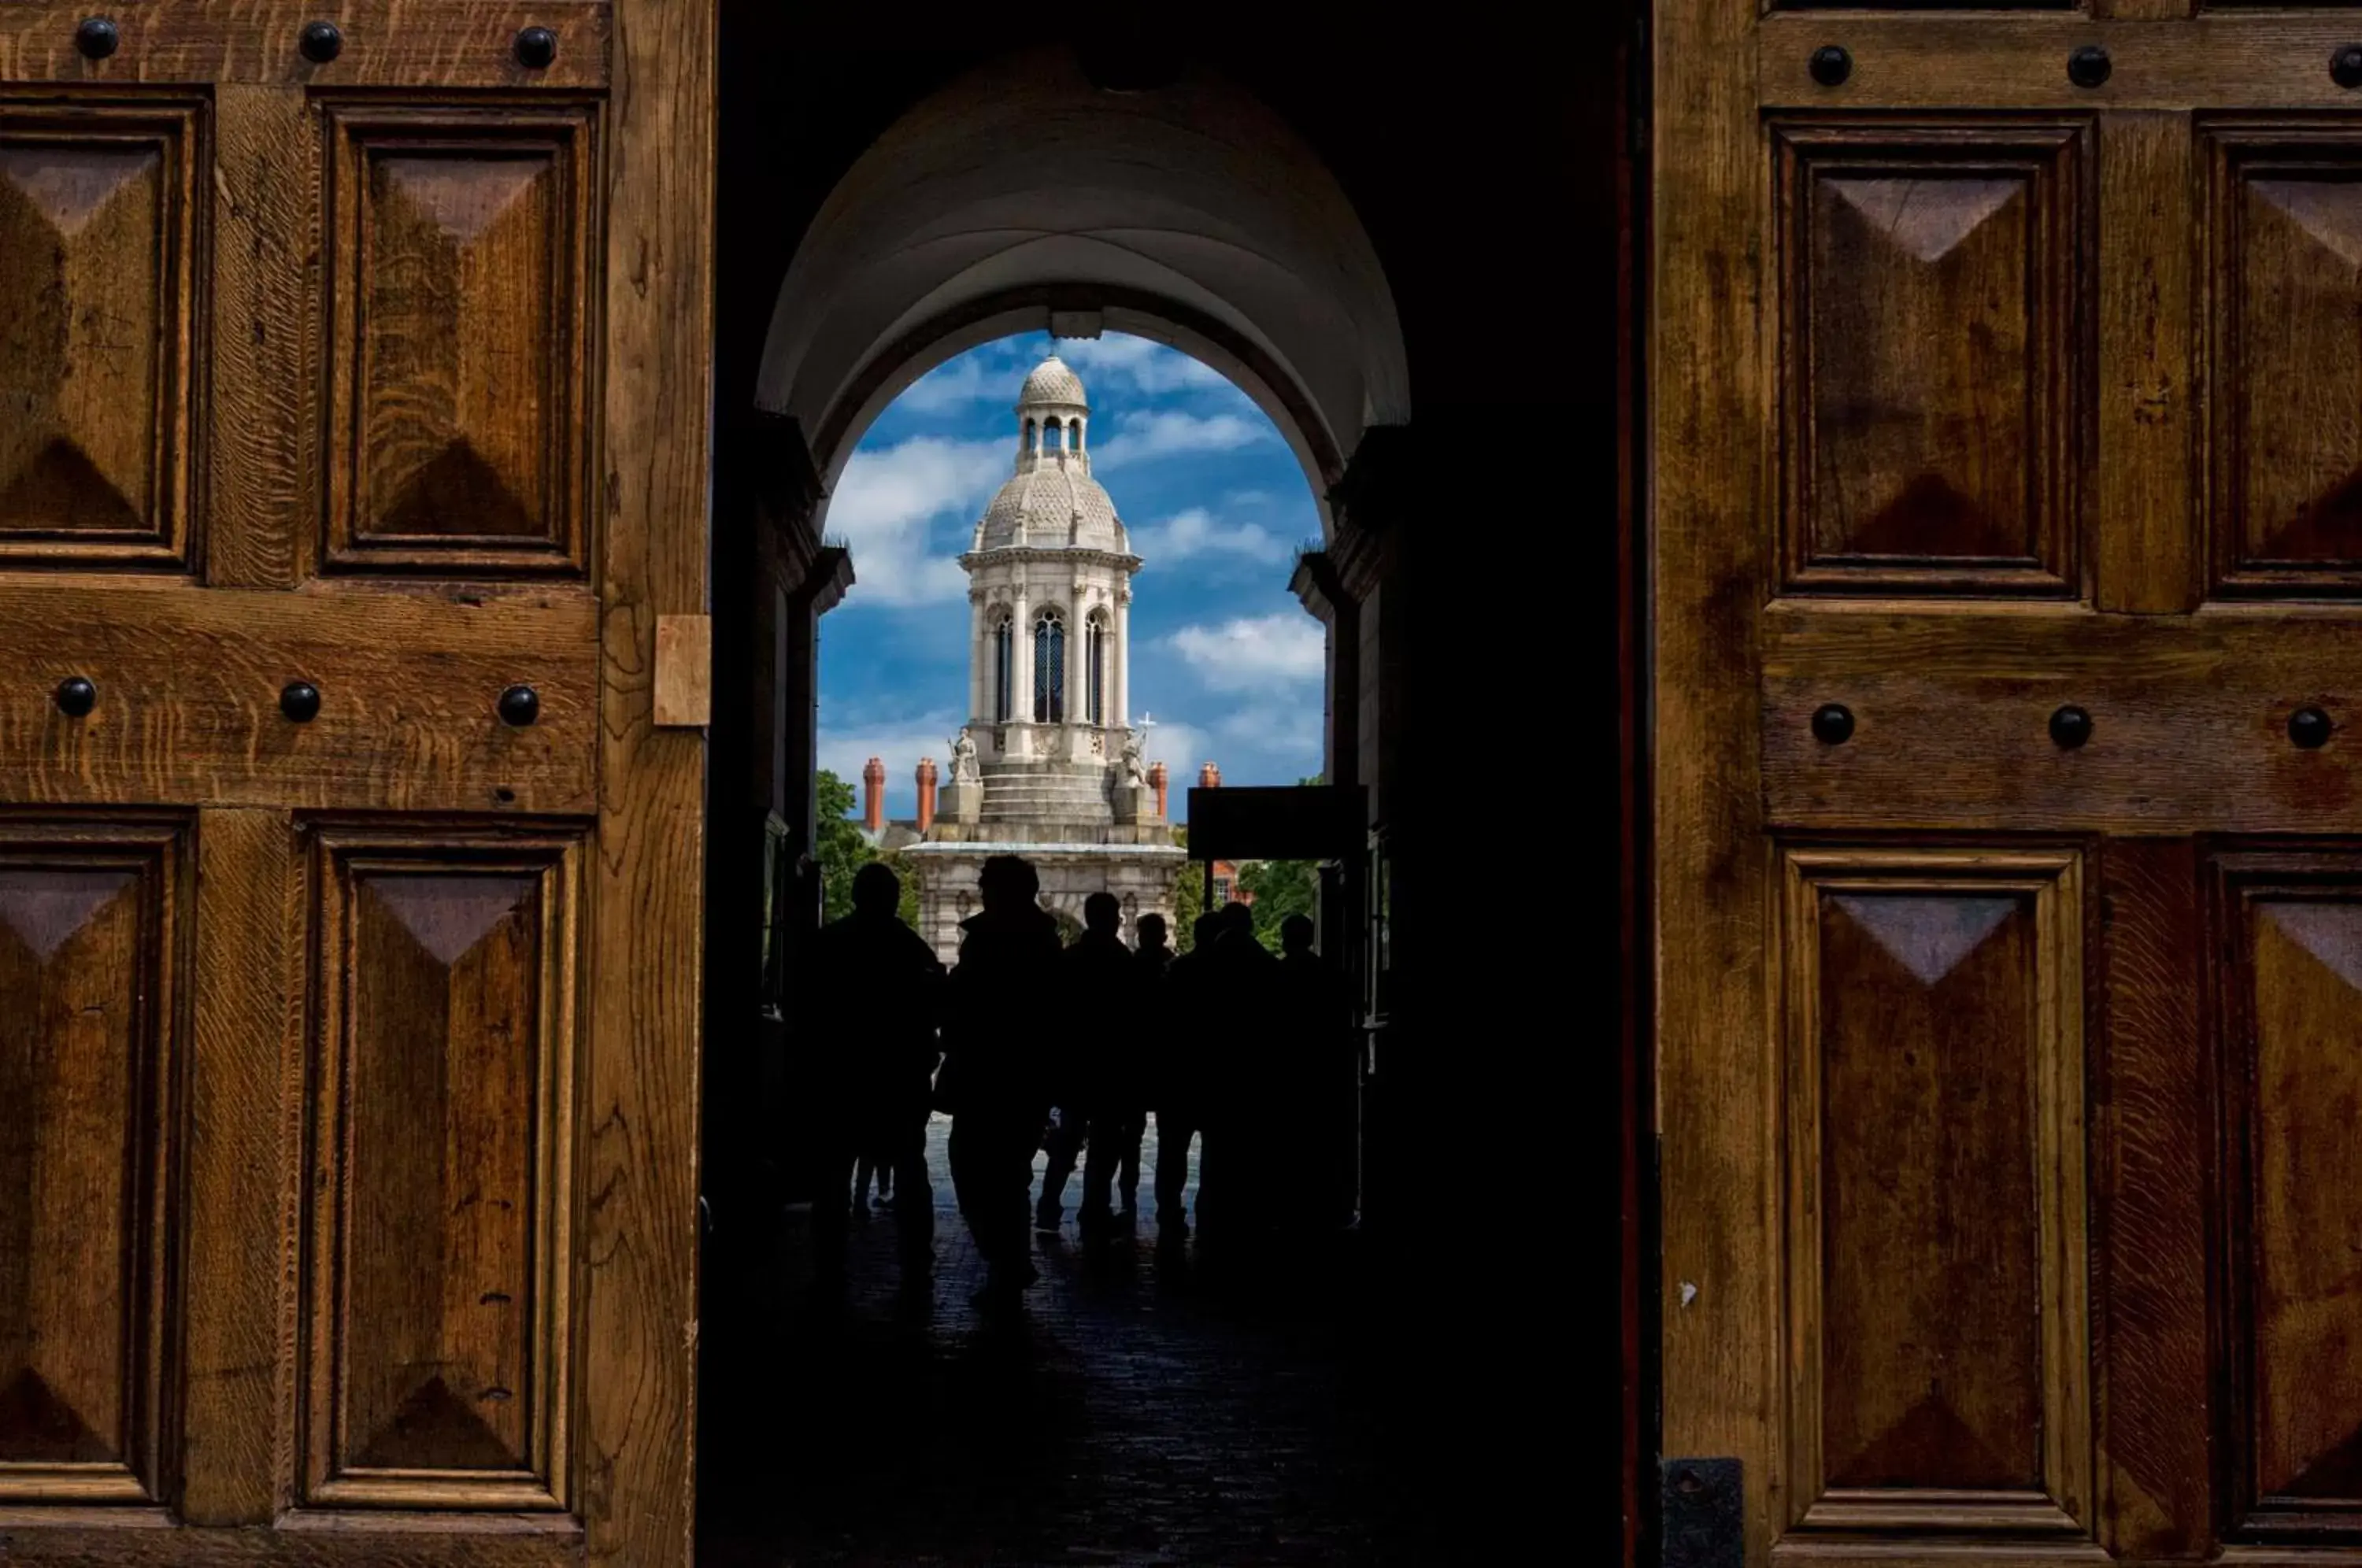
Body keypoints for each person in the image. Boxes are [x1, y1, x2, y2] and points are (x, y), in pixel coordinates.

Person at [803, 861, 943, 1286]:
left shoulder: (827, 944)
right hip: (899, 1080)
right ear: (895, 898)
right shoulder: (912, 948)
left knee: (832, 1177)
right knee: (910, 1172)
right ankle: (916, 1262)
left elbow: (807, 1011)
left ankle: (828, 1263)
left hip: (840, 1078)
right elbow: (935, 1009)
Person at [939, 854, 1064, 1306]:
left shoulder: (988, 942)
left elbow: (967, 1003)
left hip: (987, 1074)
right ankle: (1009, 1262)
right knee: (1009, 1176)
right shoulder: (1046, 944)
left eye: (988, 886)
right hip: (1025, 1078)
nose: (982, 892)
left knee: (975, 1169)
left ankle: (1006, 1262)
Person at [1275, 912, 1356, 1234]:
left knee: (1288, 1143)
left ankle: (1288, 1203)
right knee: (1318, 1142)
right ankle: (1320, 1203)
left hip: (1285, 1070)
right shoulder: (1329, 974)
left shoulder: (1276, 975)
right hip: (1322, 1071)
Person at [1153, 912, 1222, 1237]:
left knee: (1171, 1152)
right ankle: (1209, 1210)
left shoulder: (1177, 971)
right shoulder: (1226, 974)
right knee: (1215, 1151)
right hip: (1214, 1075)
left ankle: (1169, 1212)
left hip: (1177, 1075)